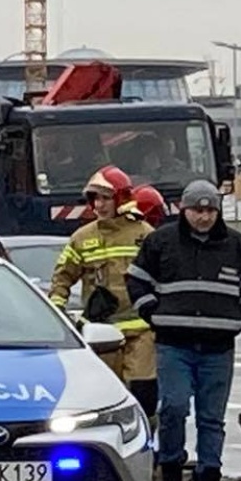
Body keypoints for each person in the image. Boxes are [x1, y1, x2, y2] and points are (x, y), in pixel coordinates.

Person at [127, 179, 241, 481]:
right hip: (174, 344)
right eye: (197, 210)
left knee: (211, 418)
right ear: (183, 209)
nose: (203, 217)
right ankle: (172, 473)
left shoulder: (237, 245)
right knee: (174, 407)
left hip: (218, 347)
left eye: (209, 210)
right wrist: (151, 311)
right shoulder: (160, 242)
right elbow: (136, 278)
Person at [48, 167, 156, 419]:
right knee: (105, 396)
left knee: (144, 390)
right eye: (95, 198)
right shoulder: (82, 238)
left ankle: (148, 444)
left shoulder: (144, 234)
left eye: (106, 197)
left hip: (142, 331)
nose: (100, 204)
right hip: (102, 333)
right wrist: (57, 311)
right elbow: (62, 277)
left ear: (121, 198)